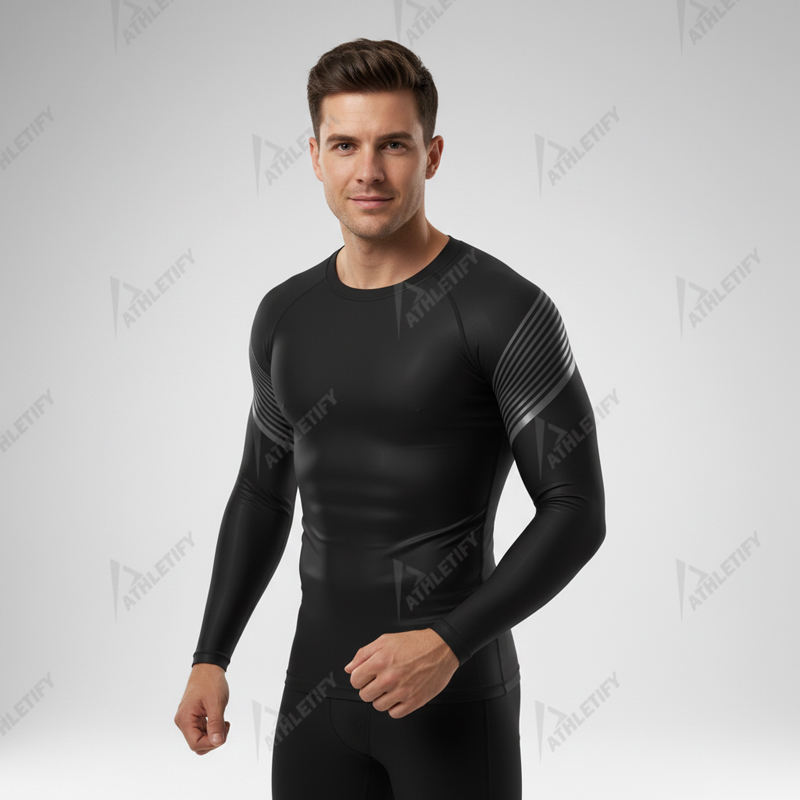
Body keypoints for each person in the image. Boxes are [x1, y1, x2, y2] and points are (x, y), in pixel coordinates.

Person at [174, 37, 606, 799]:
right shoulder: (286, 315)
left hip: (453, 699)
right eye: (345, 145)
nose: (368, 171)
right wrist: (211, 656)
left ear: (431, 155)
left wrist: (448, 642)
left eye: (393, 145)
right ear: (315, 157)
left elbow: (576, 509)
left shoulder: (503, 310)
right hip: (316, 698)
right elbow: (261, 493)